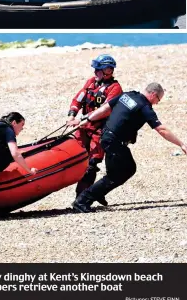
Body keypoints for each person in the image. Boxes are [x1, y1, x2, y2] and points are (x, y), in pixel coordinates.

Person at [73, 83, 187, 212]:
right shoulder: (144, 107)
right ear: (153, 94)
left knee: (118, 172)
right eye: (158, 100)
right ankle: (83, 200)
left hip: (106, 137)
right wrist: (181, 144)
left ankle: (96, 193)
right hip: (115, 142)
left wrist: (87, 119)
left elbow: (105, 109)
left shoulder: (127, 95)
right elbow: (161, 129)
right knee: (124, 171)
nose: (156, 103)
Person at [65, 54, 123, 203]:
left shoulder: (115, 88)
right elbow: (78, 99)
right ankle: (93, 192)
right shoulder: (91, 82)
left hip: (99, 130)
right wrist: (72, 115)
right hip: (83, 128)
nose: (94, 72)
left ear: (108, 71)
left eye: (98, 70)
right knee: (75, 155)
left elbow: (105, 110)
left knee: (91, 163)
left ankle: (82, 197)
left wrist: (83, 119)